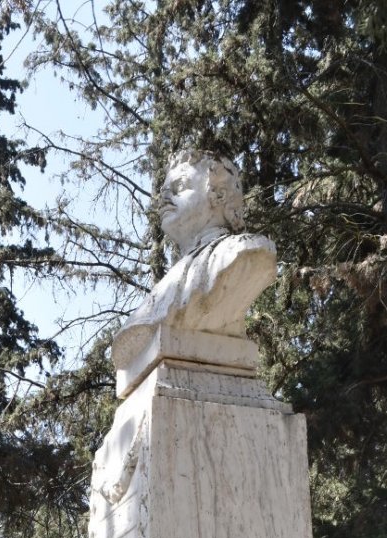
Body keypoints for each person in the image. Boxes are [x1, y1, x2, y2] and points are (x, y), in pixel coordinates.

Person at [111, 150, 276, 372]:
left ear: (219, 195)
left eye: (180, 187)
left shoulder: (244, 253)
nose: (165, 198)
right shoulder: (169, 282)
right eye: (164, 191)